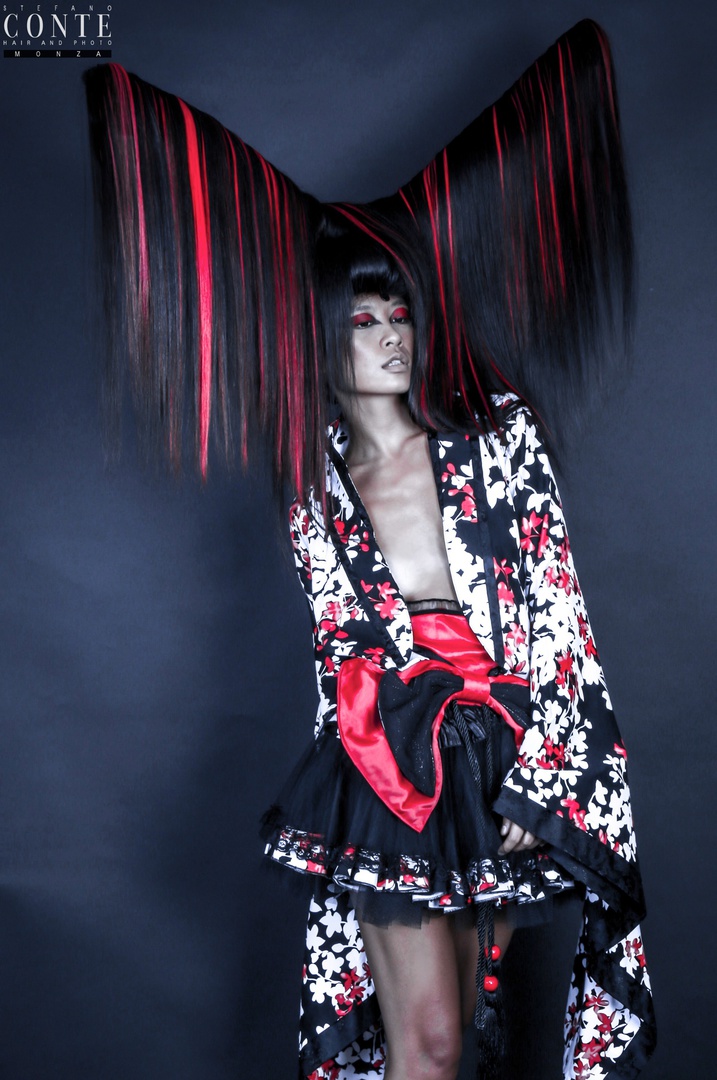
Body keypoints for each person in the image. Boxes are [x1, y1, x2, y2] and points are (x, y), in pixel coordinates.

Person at [82, 18, 655, 1080]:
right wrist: (364, 773)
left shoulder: (497, 437)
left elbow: (558, 614)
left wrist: (550, 778)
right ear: (320, 332)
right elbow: (337, 652)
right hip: (389, 768)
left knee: (469, 1030)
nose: (391, 334)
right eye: (362, 319)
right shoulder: (311, 488)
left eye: (400, 311)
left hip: (508, 756)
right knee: (423, 1044)